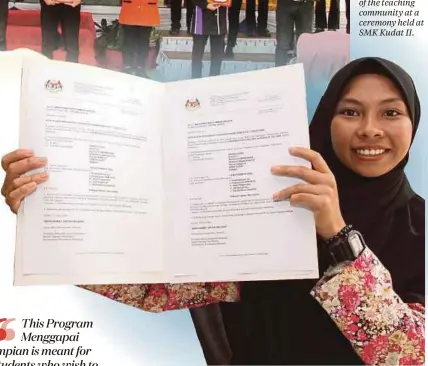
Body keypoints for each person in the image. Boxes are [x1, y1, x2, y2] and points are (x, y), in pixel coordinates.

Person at [1, 57, 425, 365]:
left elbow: (408, 356)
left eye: (391, 112)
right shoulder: (270, 205)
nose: (370, 128)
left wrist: (337, 235)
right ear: (324, 121)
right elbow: (158, 288)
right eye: (350, 111)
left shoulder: (420, 229)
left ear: (414, 124)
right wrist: (52, 214)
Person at [118, 0, 160, 78]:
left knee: (143, 43)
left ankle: (140, 68)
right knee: (128, 41)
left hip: (147, 10)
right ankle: (127, 66)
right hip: (130, 9)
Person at [190, 0, 227, 79]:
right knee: (197, 53)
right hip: (201, 16)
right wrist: (205, 4)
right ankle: (195, 81)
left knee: (217, 54)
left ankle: (214, 83)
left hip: (219, 16)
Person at [275, 0, 314, 66]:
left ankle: (305, 74)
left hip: (305, 4)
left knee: (305, 45)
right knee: (283, 44)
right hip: (284, 4)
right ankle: (280, 74)